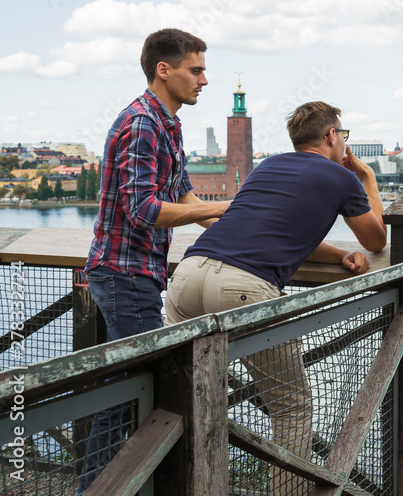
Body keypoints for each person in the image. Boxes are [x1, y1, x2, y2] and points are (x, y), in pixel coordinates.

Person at [163, 101, 386, 495]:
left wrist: (336, 253)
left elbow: (274, 229)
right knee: (290, 406)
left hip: (187, 275)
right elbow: (376, 240)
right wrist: (366, 176)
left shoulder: (265, 168)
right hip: (244, 289)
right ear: (332, 136)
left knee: (181, 397)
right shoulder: (342, 177)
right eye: (344, 136)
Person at [78, 28, 230, 492]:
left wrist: (234, 230)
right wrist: (218, 207)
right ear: (164, 70)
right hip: (124, 275)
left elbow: (181, 192)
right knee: (132, 390)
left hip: (134, 273)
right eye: (196, 69)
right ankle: (97, 488)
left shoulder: (168, 123)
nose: (205, 79)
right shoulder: (143, 123)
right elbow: (144, 209)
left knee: (131, 384)